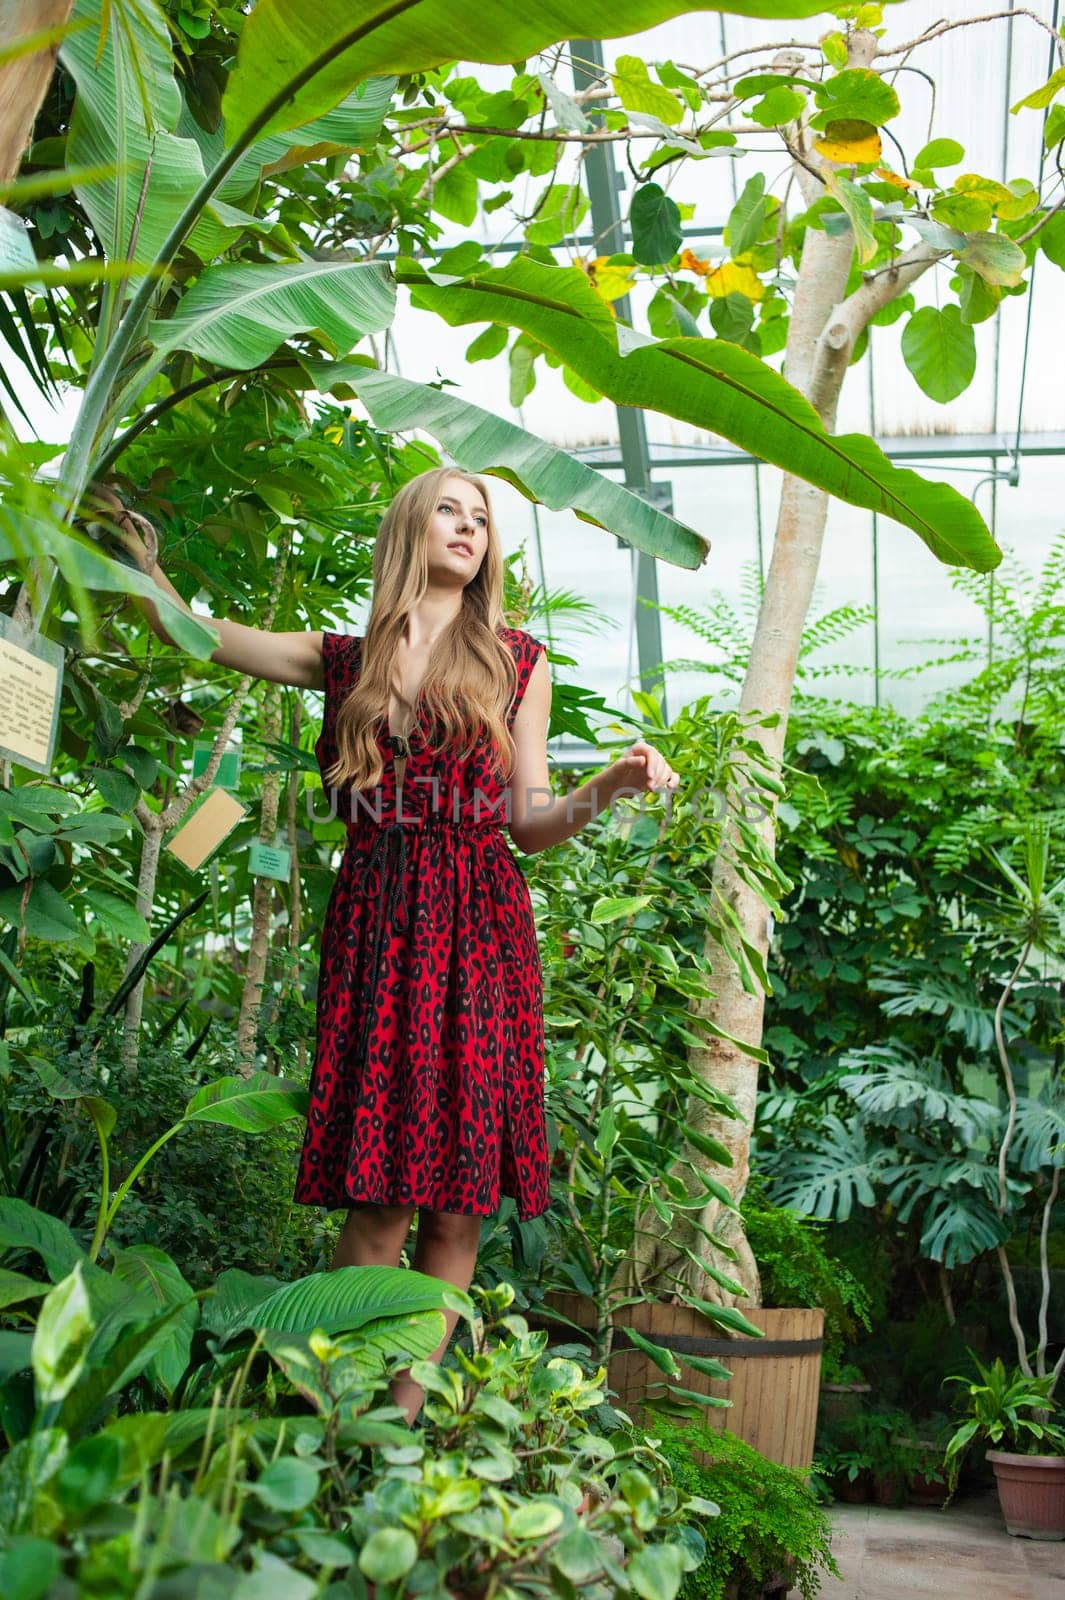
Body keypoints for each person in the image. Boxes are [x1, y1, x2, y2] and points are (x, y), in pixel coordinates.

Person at [90, 466, 680, 1426]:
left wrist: (610, 781)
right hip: (376, 924)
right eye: (449, 509)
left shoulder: (519, 660)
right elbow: (192, 633)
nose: (468, 527)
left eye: (482, 518)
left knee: (458, 1202)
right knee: (379, 1194)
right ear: (411, 526)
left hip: (482, 929)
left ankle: (397, 1429)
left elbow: (527, 823)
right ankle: (334, 1416)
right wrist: (137, 559)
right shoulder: (343, 656)